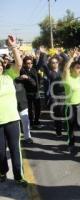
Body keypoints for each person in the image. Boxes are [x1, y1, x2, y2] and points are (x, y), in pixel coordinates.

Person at [0, 35, 27, 186]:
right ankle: (2, 171)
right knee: (0, 152)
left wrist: (13, 46)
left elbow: (19, 63)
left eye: (0, 65)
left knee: (15, 150)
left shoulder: (8, 76)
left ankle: (18, 176)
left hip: (12, 120)